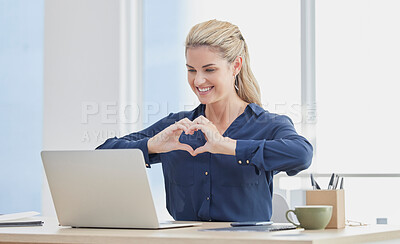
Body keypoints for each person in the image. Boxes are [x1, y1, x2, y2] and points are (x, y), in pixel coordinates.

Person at [97, 19, 313, 222]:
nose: (198, 80)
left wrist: (229, 146)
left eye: (209, 70)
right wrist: (152, 145)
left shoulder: (267, 125)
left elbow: (301, 153)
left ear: (235, 66)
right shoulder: (177, 127)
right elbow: (103, 155)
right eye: (191, 70)